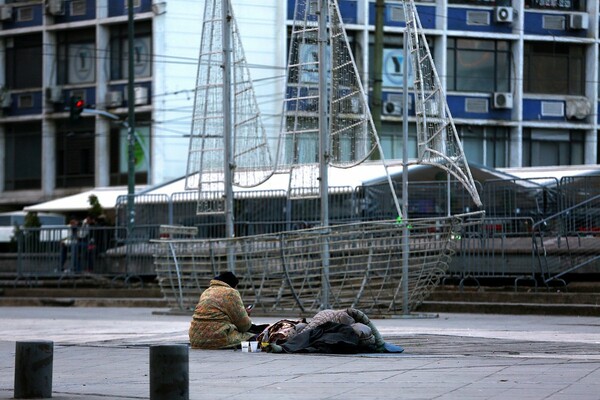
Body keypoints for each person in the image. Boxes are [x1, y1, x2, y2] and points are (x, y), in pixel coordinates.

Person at [188, 271, 254, 349]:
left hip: (195, 338)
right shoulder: (231, 293)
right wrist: (246, 315)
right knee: (255, 337)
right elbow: (244, 326)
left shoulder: (207, 291)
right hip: (218, 337)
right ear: (232, 284)